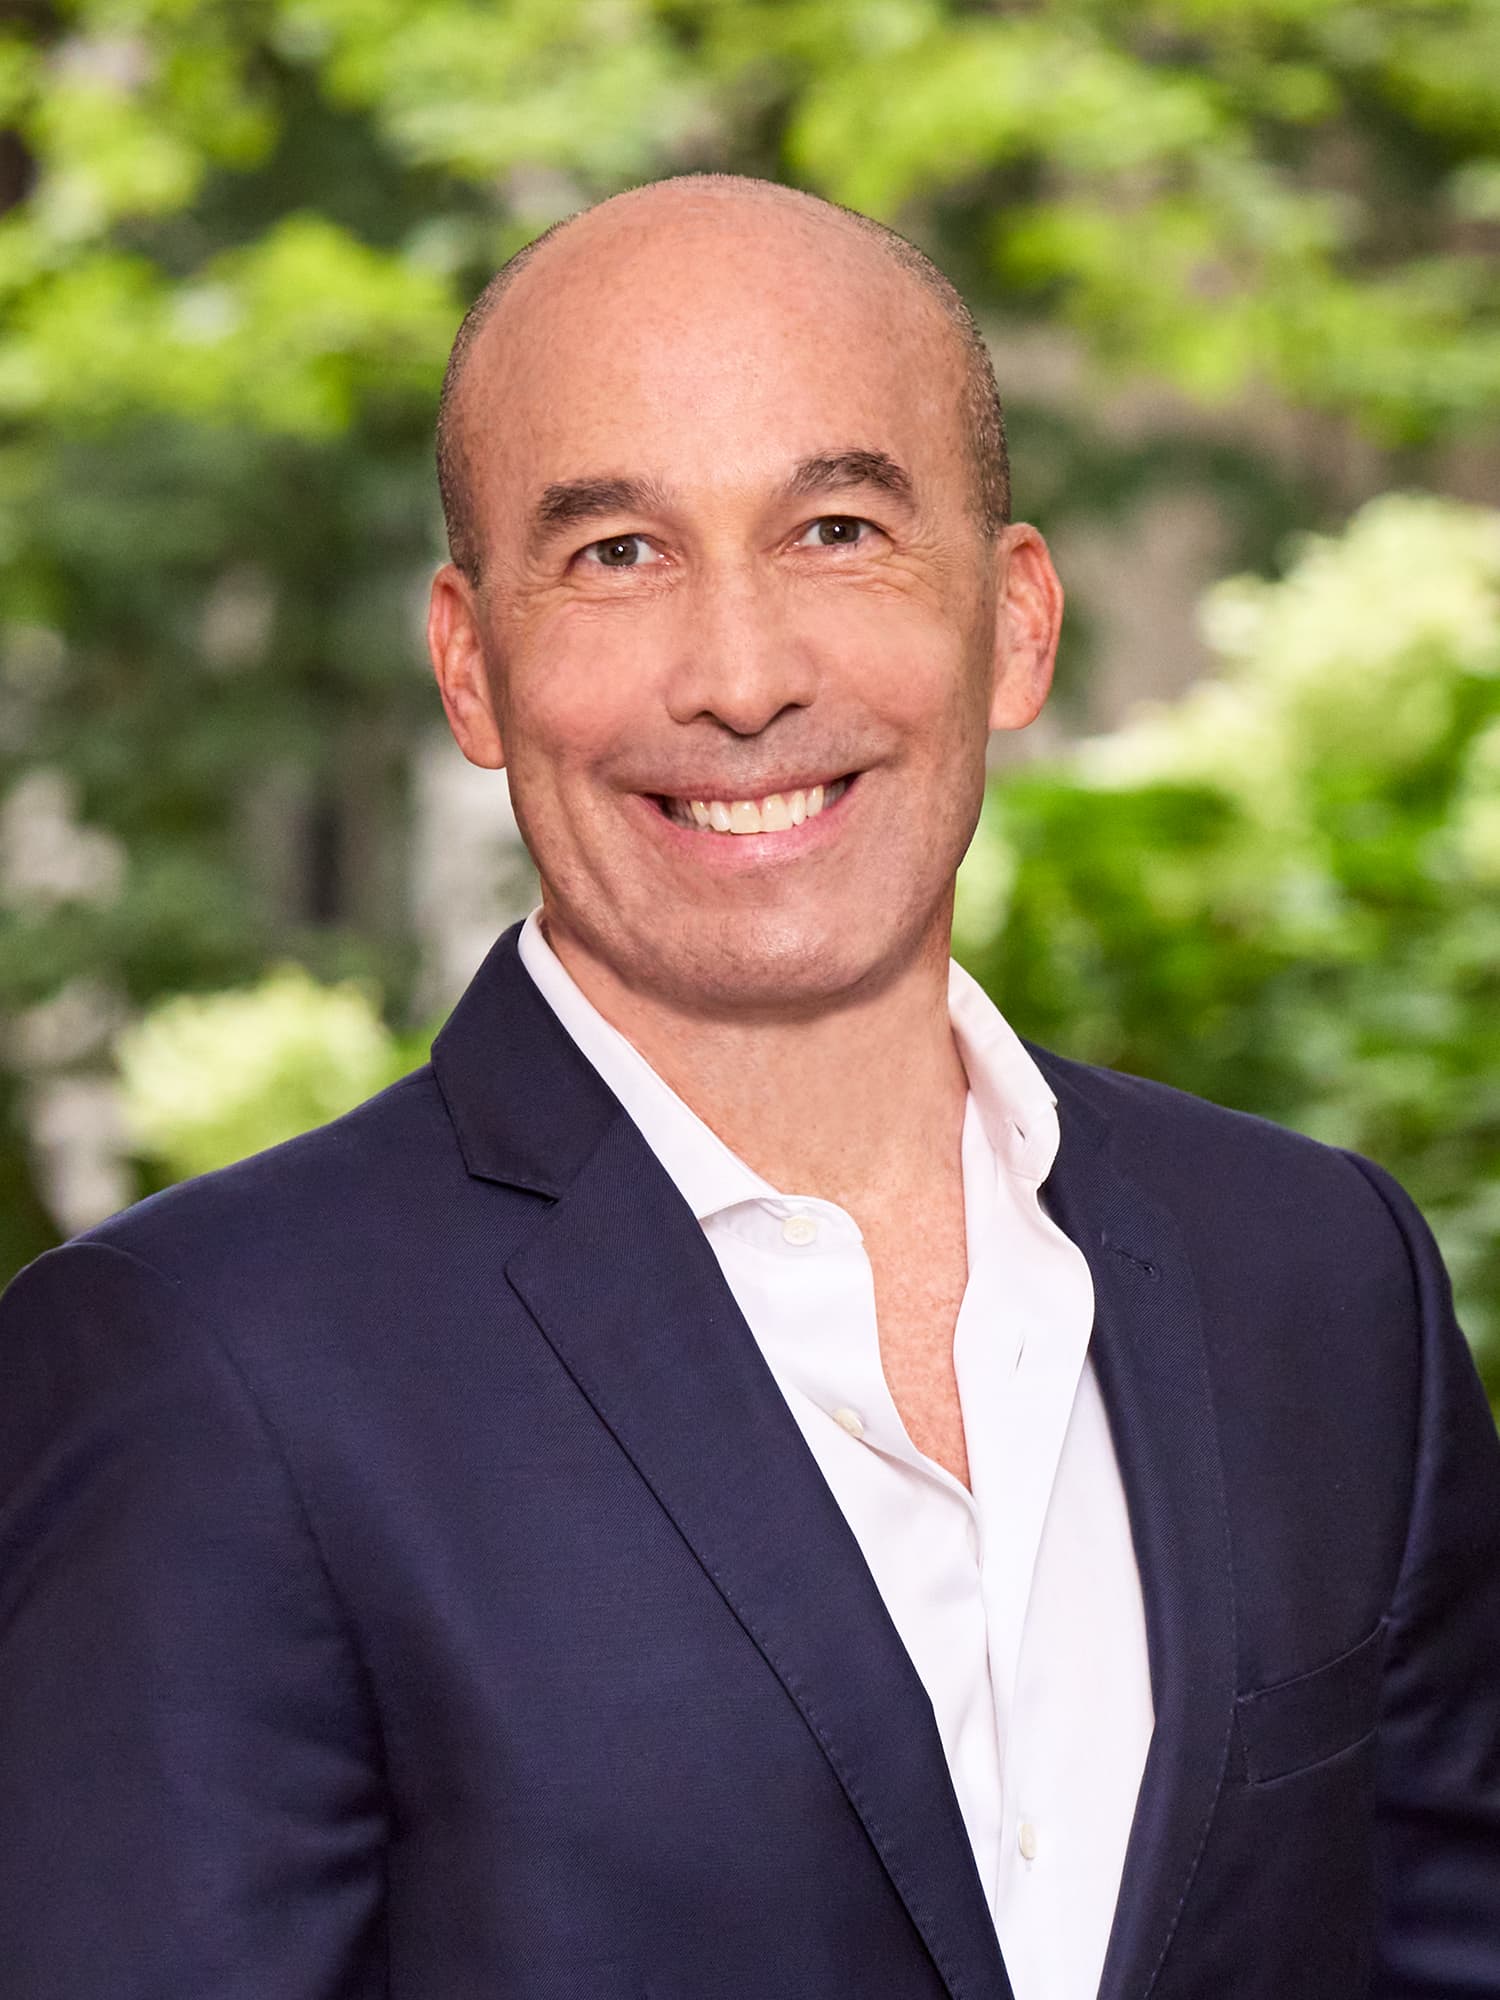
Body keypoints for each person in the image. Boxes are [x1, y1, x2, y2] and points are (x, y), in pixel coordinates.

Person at [0, 174, 1497, 2000]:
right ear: (472, 664)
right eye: (615, 553)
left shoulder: (1322, 1278)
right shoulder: (201, 1371)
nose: (738, 677)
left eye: (840, 528)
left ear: (1017, 622)